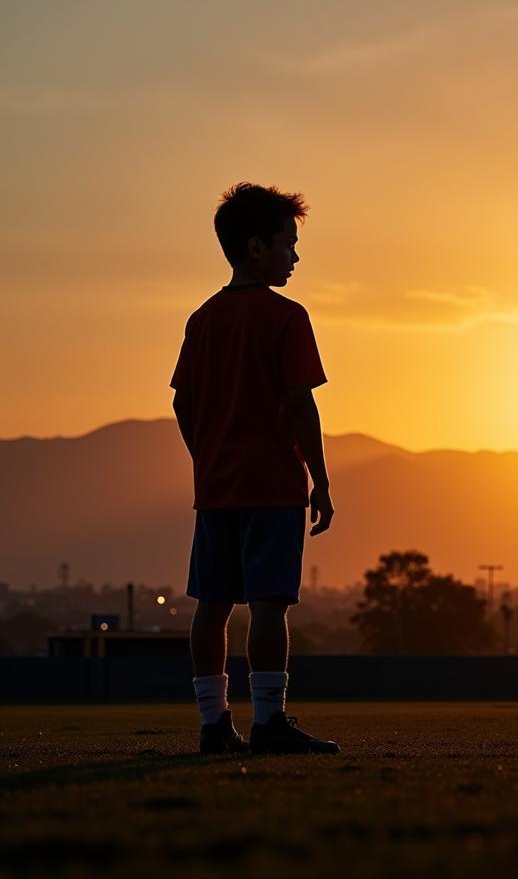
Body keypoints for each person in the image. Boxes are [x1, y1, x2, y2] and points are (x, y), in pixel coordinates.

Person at [170, 182, 338, 755]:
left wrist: (207, 455)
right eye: (288, 244)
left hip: (216, 487)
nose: (295, 256)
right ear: (257, 246)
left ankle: (213, 725)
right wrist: (319, 477)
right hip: (272, 484)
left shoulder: (202, 319)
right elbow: (300, 403)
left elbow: (181, 403)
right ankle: (269, 721)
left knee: (211, 606)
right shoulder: (287, 317)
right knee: (269, 603)